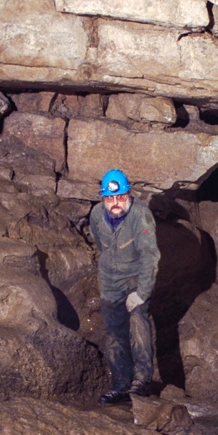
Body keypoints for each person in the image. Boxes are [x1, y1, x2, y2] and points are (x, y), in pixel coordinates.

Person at [90, 169, 161, 405]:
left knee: (138, 323)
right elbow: (100, 244)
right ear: (103, 199)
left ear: (128, 194)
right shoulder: (97, 215)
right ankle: (120, 385)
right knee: (114, 334)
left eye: (120, 197)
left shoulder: (141, 216)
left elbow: (150, 256)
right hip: (110, 282)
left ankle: (141, 382)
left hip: (135, 279)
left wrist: (141, 294)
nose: (115, 203)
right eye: (110, 198)